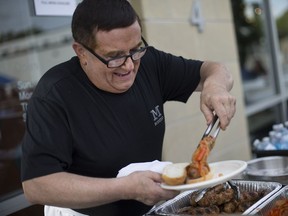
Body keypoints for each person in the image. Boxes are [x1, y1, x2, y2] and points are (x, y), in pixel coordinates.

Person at [21, 0, 236, 215]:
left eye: (135, 50)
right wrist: (125, 189)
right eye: (114, 57)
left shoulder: (150, 63)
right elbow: (36, 185)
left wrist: (215, 87)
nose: (130, 65)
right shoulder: (54, 95)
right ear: (81, 52)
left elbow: (213, 70)